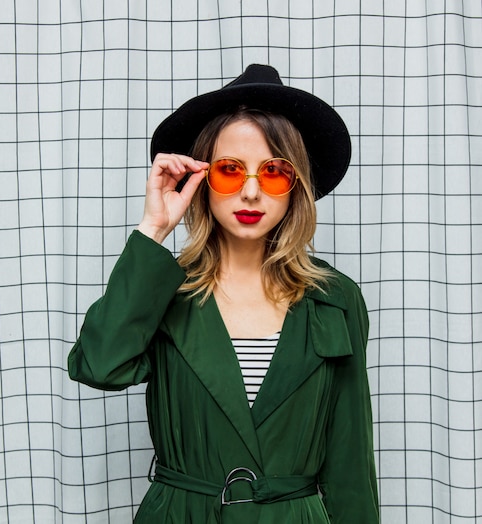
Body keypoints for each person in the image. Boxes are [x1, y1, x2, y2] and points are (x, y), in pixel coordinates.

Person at [68, 64, 379, 523]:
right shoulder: (166, 290)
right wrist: (153, 230)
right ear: (202, 180)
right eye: (230, 171)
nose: (250, 193)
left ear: (297, 188)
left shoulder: (333, 298)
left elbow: (350, 456)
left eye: (273, 172)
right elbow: (99, 365)